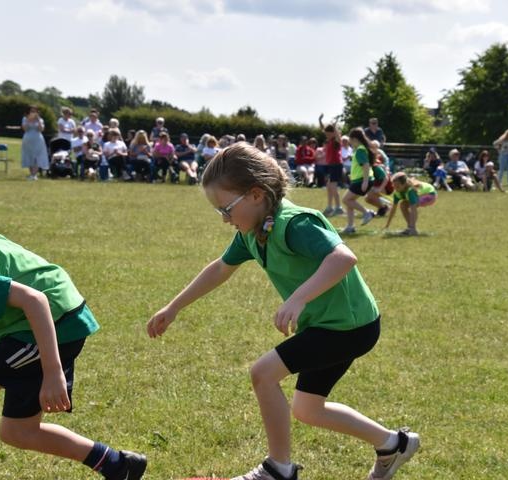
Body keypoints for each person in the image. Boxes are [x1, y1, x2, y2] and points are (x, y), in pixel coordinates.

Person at [147, 143, 420, 480]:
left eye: (226, 209)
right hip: (328, 325)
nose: (225, 219)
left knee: (263, 373)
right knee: (308, 409)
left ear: (256, 194)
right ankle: (393, 444)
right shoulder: (253, 231)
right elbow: (220, 268)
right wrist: (174, 306)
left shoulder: (294, 224)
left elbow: (343, 258)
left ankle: (278, 470)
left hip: (348, 327)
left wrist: (298, 298)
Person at [0, 223, 147, 480]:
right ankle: (118, 466)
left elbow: (34, 299)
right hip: (52, 308)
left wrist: (52, 371)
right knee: (18, 431)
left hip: (49, 321)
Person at [341, 128, 376, 234]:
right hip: (359, 180)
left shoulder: (360, 150)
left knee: (346, 200)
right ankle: (350, 227)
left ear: (355, 139)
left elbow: (365, 165)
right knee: (349, 202)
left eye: (350, 140)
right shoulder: (360, 149)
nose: (350, 143)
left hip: (361, 180)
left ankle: (367, 213)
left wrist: (365, 181)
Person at [319, 114, 344, 217]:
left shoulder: (336, 141)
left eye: (328, 134)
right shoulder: (329, 140)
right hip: (331, 166)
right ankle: (330, 207)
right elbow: (323, 129)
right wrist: (320, 120)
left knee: (333, 186)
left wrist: (335, 125)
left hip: (336, 165)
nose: (326, 135)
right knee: (329, 186)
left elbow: (337, 135)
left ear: (332, 133)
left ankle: (338, 208)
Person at [21, 106, 48, 181]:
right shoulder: (25, 119)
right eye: (32, 111)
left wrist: (38, 120)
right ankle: (31, 174)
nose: (33, 113)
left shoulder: (40, 120)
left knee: (37, 156)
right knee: (29, 156)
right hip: (28, 139)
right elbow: (25, 129)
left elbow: (41, 129)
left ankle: (34, 174)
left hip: (38, 139)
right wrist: (29, 120)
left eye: (35, 111)